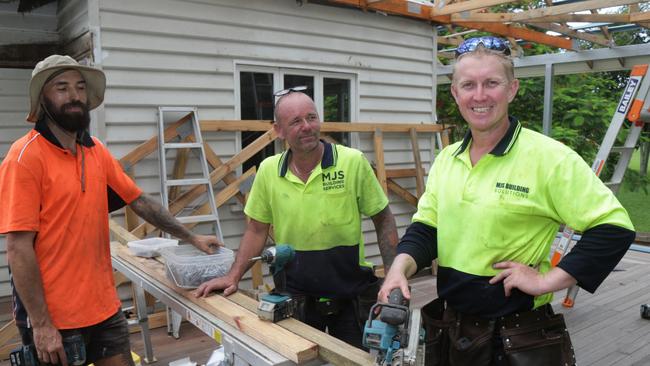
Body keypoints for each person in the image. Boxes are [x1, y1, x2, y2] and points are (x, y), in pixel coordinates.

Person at [379, 37, 636, 366]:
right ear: (455, 93)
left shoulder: (549, 158)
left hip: (516, 339)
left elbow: (614, 227)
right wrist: (399, 269)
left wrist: (548, 280)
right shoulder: (447, 159)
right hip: (452, 328)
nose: (480, 95)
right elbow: (428, 227)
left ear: (512, 89)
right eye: (468, 85)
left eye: (492, 83)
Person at [0, 55, 222, 366]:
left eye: (80, 87)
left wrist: (192, 238)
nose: (74, 95)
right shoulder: (24, 158)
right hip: (54, 319)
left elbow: (139, 201)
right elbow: (18, 247)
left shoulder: (96, 152)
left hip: (103, 308)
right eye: (61, 88)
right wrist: (40, 324)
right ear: (42, 99)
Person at [195, 88, 398, 348]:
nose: (307, 127)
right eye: (296, 121)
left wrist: (393, 277)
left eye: (311, 118)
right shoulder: (269, 170)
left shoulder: (351, 163)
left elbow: (383, 219)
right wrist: (233, 275)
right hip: (295, 299)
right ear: (279, 130)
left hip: (351, 297)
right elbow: (256, 230)